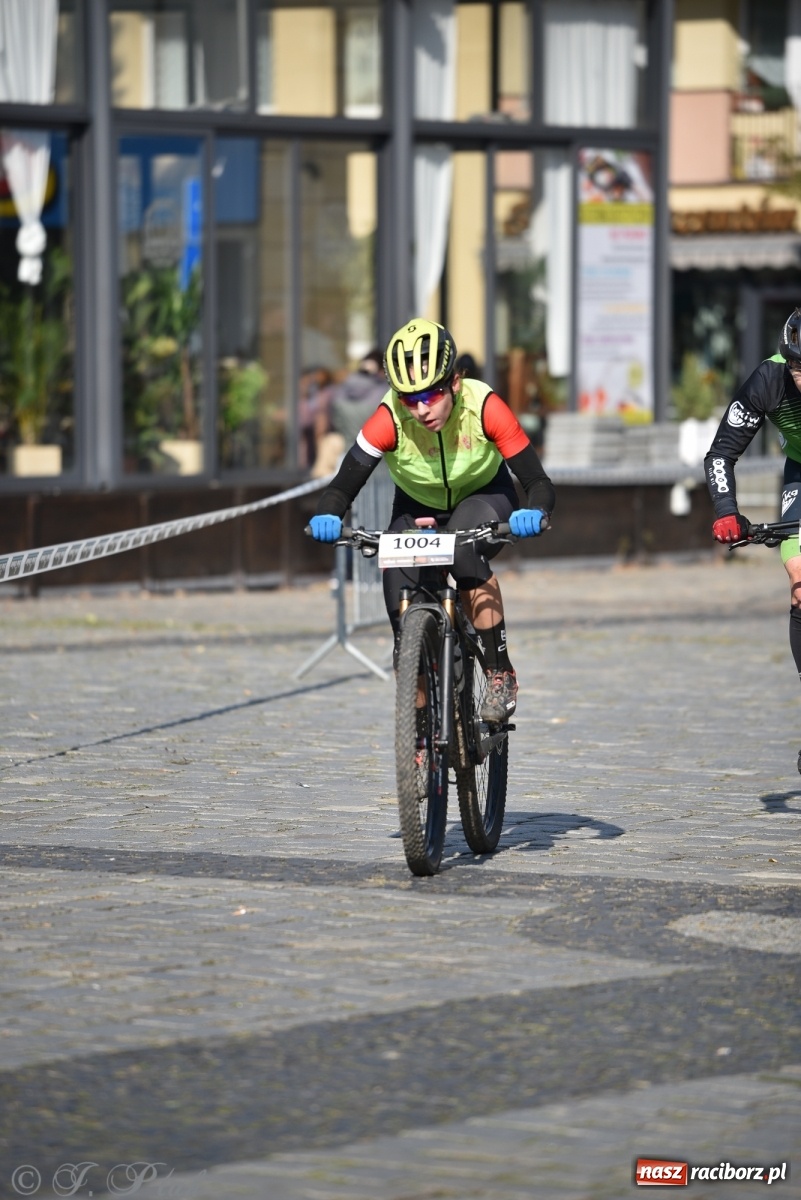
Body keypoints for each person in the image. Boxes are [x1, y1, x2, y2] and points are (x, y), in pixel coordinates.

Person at [308, 317, 556, 722]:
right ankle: (420, 738)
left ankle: (499, 673)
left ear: (455, 381)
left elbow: (538, 481)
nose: (421, 409)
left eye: (431, 393)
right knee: (400, 600)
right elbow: (340, 488)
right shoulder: (389, 417)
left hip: (484, 494)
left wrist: (537, 511)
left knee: (463, 550)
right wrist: (327, 515)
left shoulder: (485, 406)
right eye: (409, 398)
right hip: (417, 505)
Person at [704, 306, 801, 771]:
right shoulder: (769, 380)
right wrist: (727, 511)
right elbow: (721, 453)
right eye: (800, 369)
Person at [330, 348, 387, 447]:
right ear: (382, 371)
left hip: (347, 450)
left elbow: (337, 422)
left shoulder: (342, 390)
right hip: (376, 453)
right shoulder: (386, 393)